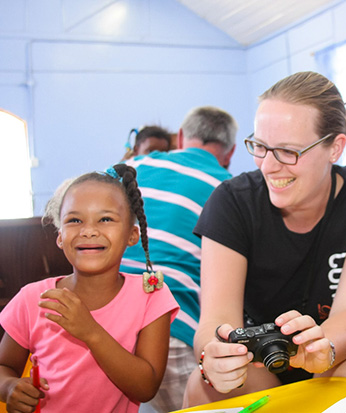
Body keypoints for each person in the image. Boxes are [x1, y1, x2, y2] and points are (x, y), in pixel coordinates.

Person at [183, 71, 346, 407]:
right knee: (204, 386)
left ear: (335, 147)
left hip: (337, 350)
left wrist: (320, 349)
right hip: (257, 359)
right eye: (260, 147)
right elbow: (216, 320)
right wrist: (215, 358)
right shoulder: (231, 201)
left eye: (287, 151)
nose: (268, 166)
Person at [0, 164, 179, 412]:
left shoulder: (150, 296)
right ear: (60, 236)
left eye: (105, 219)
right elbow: (4, 366)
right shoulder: (34, 299)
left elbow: (146, 387)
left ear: (132, 234)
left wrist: (91, 331)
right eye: (74, 220)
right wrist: (9, 387)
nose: (89, 231)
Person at [121, 106, 237, 413]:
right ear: (231, 152)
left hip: (103, 321)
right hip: (174, 324)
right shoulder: (232, 191)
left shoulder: (131, 167)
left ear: (181, 137)